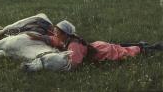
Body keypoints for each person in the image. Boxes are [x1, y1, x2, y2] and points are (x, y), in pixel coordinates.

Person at [27, 20, 163, 69]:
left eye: (57, 31)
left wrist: (59, 62)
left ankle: (149, 48)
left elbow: (74, 64)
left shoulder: (73, 46)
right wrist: (40, 37)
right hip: (97, 45)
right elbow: (52, 40)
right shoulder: (65, 39)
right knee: (118, 46)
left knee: (124, 52)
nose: (54, 33)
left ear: (64, 33)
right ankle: (141, 45)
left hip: (101, 52)